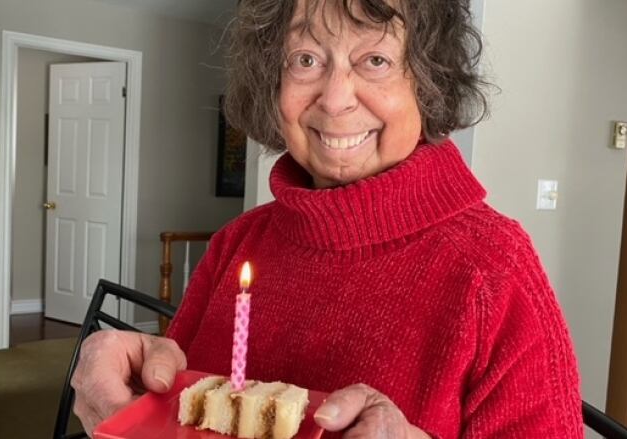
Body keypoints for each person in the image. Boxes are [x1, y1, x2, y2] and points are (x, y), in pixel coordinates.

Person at [71, 0, 584, 437]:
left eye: (376, 59)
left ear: (430, 83)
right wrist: (135, 386)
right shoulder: (237, 243)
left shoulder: (495, 269)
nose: (335, 99)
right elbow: (174, 412)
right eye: (306, 58)